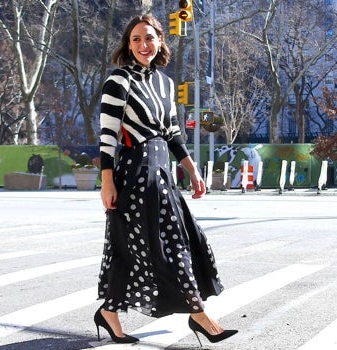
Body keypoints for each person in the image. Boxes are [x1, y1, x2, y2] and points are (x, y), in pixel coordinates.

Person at [96, 14, 237, 346]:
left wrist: (192, 170)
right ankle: (199, 315)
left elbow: (173, 134)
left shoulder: (165, 83)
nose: (143, 45)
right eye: (136, 39)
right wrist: (107, 181)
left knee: (164, 244)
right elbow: (107, 136)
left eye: (149, 38)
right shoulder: (118, 80)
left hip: (161, 175)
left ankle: (109, 313)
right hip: (132, 175)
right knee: (161, 247)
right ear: (128, 45)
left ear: (160, 41)